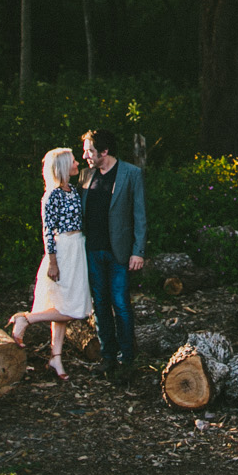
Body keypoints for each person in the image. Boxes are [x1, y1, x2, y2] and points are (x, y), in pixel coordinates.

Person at [8, 147, 93, 381]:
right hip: (63, 250)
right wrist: (52, 261)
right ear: (63, 166)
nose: (77, 163)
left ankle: (55, 357)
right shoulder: (52, 194)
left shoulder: (73, 190)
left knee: (65, 304)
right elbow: (47, 232)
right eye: (73, 161)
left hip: (78, 247)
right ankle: (27, 318)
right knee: (73, 308)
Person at [79, 127, 146, 378]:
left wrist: (138, 251)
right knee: (101, 305)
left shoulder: (131, 174)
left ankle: (127, 359)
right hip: (93, 252)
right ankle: (107, 356)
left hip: (119, 253)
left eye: (90, 151)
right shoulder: (85, 176)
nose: (86, 155)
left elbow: (140, 216)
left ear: (104, 151)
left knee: (121, 304)